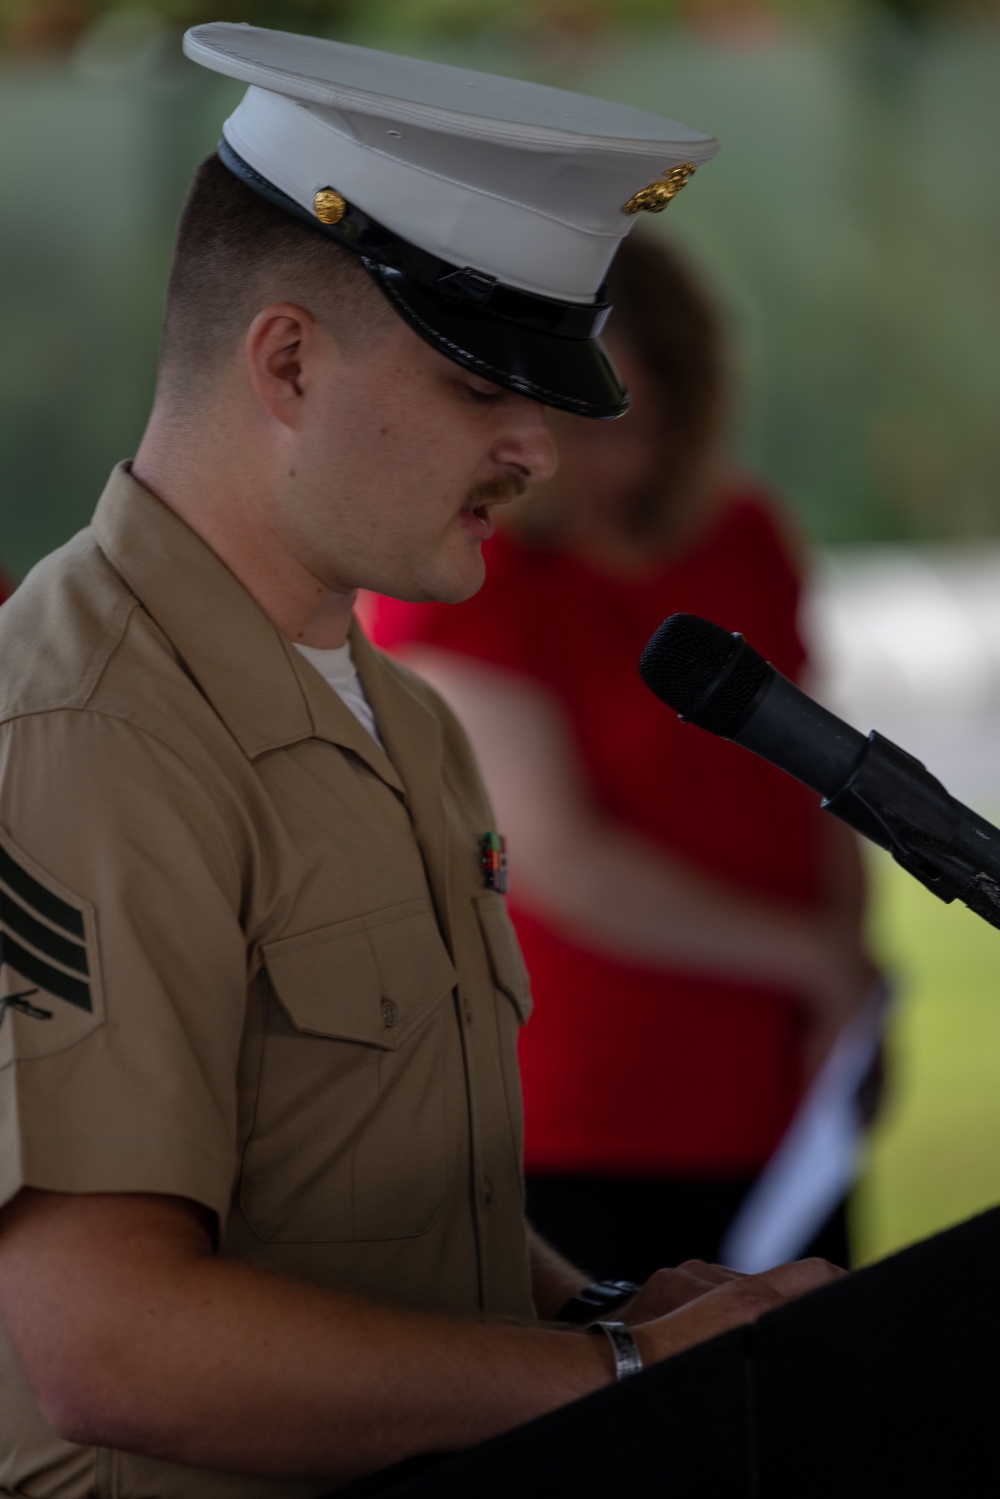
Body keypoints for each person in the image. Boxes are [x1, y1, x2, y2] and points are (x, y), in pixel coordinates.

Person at [0, 25, 840, 1499]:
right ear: (287, 360)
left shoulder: (405, 718)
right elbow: (109, 1342)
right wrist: (622, 1375)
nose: (536, 447)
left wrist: (602, 1307)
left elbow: (384, 1202)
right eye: (481, 387)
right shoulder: (88, 729)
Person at [370, 230, 876, 1281]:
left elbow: (822, 775)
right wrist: (810, 953)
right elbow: (562, 856)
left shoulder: (741, 534)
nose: (630, 458)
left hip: (782, 1099)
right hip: (587, 1114)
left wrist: (848, 970)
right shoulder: (476, 566)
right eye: (598, 423)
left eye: (661, 421)